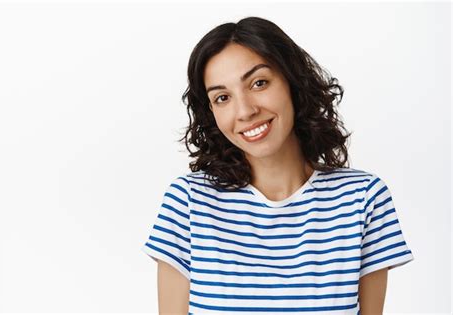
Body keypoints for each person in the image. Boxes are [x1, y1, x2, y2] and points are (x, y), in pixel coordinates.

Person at [141, 16, 414, 315]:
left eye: (259, 83)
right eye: (222, 97)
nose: (245, 110)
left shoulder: (362, 199)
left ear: (292, 82)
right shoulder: (189, 202)